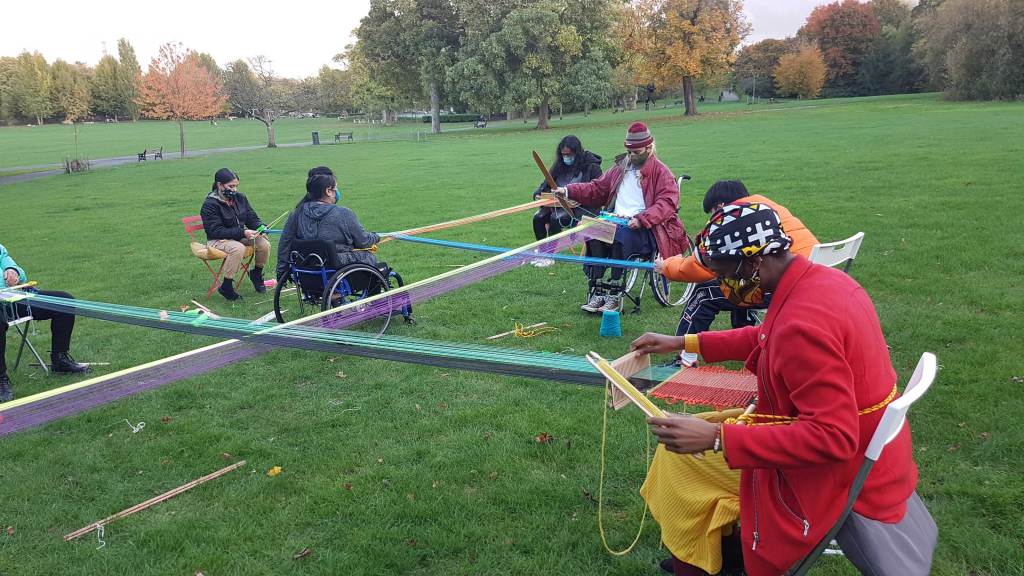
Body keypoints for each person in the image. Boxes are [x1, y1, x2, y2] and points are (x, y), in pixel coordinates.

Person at [630, 202, 936, 576]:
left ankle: (697, 563)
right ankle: (710, 551)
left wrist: (716, 438)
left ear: (754, 262)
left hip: (834, 473)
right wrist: (682, 343)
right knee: (682, 455)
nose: (723, 285)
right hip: (874, 456)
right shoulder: (823, 282)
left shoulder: (802, 326)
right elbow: (764, 335)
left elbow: (833, 437)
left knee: (681, 466)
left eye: (725, 274)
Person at [655, 180, 818, 366]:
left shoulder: (734, 221)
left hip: (784, 289)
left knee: (704, 293)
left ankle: (685, 358)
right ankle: (745, 337)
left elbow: (703, 265)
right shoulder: (766, 207)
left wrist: (666, 266)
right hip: (811, 277)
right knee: (736, 286)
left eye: (713, 213)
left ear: (720, 207)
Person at [554, 122, 688, 313]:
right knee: (593, 235)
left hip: (645, 229)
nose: (631, 156)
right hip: (617, 221)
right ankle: (598, 291)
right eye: (629, 152)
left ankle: (615, 294)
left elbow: (667, 203)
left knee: (618, 238)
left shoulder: (661, 173)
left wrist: (642, 219)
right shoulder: (620, 168)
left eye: (636, 152)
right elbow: (596, 188)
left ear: (649, 148)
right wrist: (568, 191)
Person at [1, 243, 90, 403]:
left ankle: (60, 360)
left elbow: (19, 273)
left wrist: (14, 272)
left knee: (64, 300)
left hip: (12, 302)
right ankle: (1, 379)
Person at [276, 166, 380, 279]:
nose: (337, 191)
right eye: (336, 188)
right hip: (335, 266)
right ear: (328, 191)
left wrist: (281, 272)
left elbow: (285, 244)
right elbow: (363, 242)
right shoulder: (343, 213)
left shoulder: (296, 213)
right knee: (368, 256)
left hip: (306, 268)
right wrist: (376, 237)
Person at [530, 135, 603, 267]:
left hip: (581, 209)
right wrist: (538, 193)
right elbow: (546, 183)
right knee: (538, 217)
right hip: (557, 205)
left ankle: (550, 255)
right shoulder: (559, 165)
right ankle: (542, 252)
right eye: (563, 155)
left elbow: (597, 191)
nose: (566, 158)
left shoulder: (591, 167)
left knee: (555, 218)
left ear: (576, 153)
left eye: (568, 154)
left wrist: (576, 197)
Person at [200, 168, 271, 301]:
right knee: (238, 248)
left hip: (237, 237)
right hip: (217, 240)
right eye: (231, 186)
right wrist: (243, 232)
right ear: (219, 185)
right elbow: (214, 231)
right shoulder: (209, 204)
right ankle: (226, 286)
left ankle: (256, 273)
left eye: (236, 186)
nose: (234, 190)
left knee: (263, 243)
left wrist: (260, 227)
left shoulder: (240, 198)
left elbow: (251, 217)